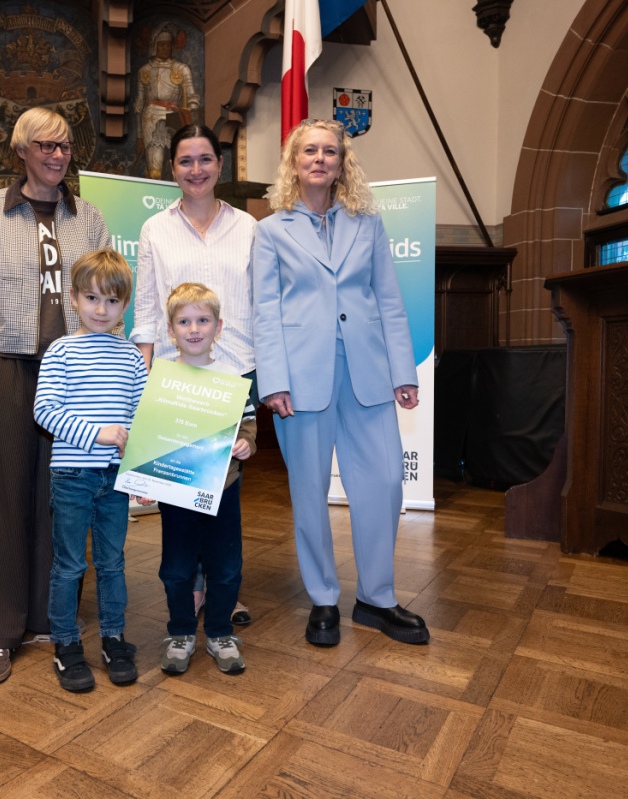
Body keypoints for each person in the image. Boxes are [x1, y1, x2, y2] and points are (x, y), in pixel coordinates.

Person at [0, 106, 113, 686]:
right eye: (44, 145)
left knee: (62, 497)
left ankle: (48, 617)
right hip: (5, 368)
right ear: (20, 150)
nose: (56, 155)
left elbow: (106, 292)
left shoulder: (87, 217)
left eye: (64, 146)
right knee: (1, 498)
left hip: (74, 371)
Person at [253, 119, 429, 647]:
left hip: (368, 371)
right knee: (309, 492)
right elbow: (265, 311)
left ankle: (376, 598)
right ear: (294, 161)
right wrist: (273, 381)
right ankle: (324, 599)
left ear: (341, 162)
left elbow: (389, 300)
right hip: (301, 379)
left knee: (384, 483)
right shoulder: (270, 230)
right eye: (310, 150)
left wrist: (404, 370)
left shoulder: (367, 222)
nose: (320, 159)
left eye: (330, 151)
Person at [130, 123, 257, 626]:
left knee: (224, 486)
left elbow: (261, 302)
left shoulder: (248, 227)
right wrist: (143, 380)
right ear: (172, 169)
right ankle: (197, 588)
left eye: (206, 159)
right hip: (175, 373)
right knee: (184, 486)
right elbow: (144, 307)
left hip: (233, 369)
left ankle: (225, 591)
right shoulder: (154, 230)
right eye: (186, 160)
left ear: (220, 166)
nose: (197, 169)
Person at [33, 250, 146, 692]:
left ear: (125, 305)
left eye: (113, 301)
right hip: (73, 477)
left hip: (116, 478)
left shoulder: (132, 357)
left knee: (113, 562)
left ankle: (114, 638)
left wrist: (141, 473)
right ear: (74, 299)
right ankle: (65, 644)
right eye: (93, 298)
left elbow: (139, 418)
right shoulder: (61, 350)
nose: (102, 310)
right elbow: (45, 412)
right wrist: (94, 433)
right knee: (69, 564)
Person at [135, 283, 256, 675]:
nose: (194, 329)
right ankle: (181, 631)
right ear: (171, 330)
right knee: (176, 567)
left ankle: (220, 632)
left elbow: (250, 423)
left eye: (203, 320)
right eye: (184, 321)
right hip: (178, 493)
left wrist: (245, 444)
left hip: (224, 489)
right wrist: (144, 481)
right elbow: (150, 433)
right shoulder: (163, 379)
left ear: (218, 327)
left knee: (226, 566)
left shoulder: (233, 377)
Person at [134, 26, 200, 179]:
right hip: (150, 117)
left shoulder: (182, 69)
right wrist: (139, 136)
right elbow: (139, 104)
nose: (165, 48)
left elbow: (192, 96)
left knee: (180, 165)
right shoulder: (145, 70)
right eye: (161, 44)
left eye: (168, 44)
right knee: (154, 171)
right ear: (154, 46)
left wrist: (192, 118)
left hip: (175, 116)